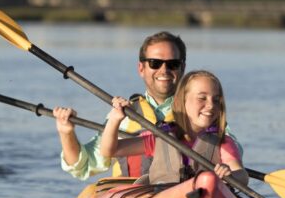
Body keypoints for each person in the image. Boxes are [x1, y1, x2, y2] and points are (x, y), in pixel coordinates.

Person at [54, 31, 187, 180]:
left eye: (173, 64)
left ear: (182, 68)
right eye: (154, 63)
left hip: (182, 197)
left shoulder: (200, 114)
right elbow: (83, 166)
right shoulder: (123, 117)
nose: (164, 70)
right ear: (141, 69)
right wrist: (66, 133)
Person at [100, 70, 248, 185]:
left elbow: (242, 175)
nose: (211, 105)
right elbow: (110, 150)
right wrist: (114, 120)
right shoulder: (161, 138)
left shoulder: (223, 142)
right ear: (182, 102)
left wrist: (230, 175)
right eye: (202, 98)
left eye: (216, 100)